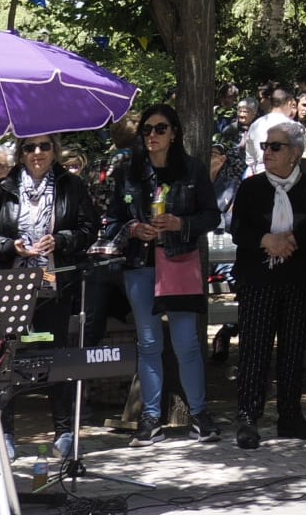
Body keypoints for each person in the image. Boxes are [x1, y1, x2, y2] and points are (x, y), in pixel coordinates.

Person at [99, 101, 219, 443]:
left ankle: (199, 414)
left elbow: (212, 216)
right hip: (140, 263)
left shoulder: (193, 170)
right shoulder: (128, 172)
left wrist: (181, 223)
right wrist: (134, 229)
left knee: (187, 343)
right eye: (147, 130)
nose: (152, 136)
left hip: (179, 261)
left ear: (174, 133)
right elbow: (110, 222)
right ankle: (151, 418)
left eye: (160, 129)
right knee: (149, 342)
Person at [0, 134, 99, 460]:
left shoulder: (71, 186)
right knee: (7, 356)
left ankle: (62, 431)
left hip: (52, 278)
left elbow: (90, 229)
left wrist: (60, 240)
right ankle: (5, 432)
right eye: (30, 147)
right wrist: (10, 245)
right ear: (20, 153)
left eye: (44, 146)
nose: (37, 153)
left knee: (55, 353)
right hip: (11, 281)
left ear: (54, 151)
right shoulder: (0, 188)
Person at [229, 117, 306, 449]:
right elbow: (238, 230)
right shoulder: (251, 187)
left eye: (275, 146)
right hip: (258, 280)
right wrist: (266, 240)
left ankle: (290, 416)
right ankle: (247, 417)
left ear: (295, 153)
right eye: (265, 146)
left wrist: (292, 241)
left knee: (294, 349)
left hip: (299, 280)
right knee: (254, 349)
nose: (267, 152)